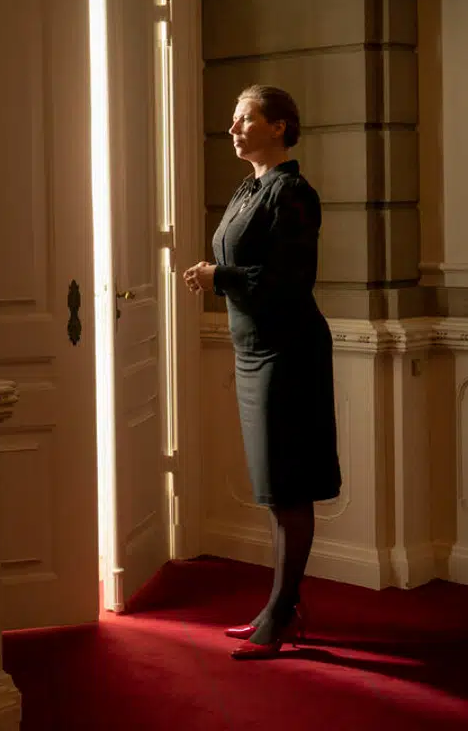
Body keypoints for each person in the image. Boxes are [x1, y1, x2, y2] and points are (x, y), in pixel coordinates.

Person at [181, 84, 341, 661]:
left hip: (287, 352)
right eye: (233, 119)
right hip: (253, 351)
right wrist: (219, 272)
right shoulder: (248, 188)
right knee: (275, 489)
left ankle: (280, 612)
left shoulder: (293, 193)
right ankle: (279, 605)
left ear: (278, 126)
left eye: (245, 119)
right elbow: (249, 264)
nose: (233, 129)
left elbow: (288, 283)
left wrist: (216, 278)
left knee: (288, 487)